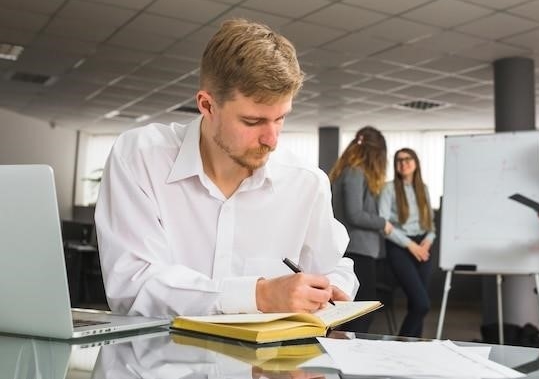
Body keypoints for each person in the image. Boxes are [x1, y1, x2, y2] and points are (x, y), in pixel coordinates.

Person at [95, 18, 358, 317]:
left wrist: (331, 286)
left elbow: (335, 266)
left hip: (269, 363)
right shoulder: (140, 158)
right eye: (253, 121)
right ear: (207, 106)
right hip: (161, 359)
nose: (271, 140)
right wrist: (258, 296)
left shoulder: (307, 182)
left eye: (281, 118)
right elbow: (133, 286)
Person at [328, 126, 393, 333]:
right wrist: (382, 223)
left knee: (355, 310)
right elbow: (354, 214)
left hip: (360, 249)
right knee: (362, 312)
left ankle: (342, 355)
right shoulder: (354, 172)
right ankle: (344, 355)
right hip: (357, 249)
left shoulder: (349, 171)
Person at [378, 148, 435, 337]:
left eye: (408, 158)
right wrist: (411, 246)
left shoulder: (423, 188)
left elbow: (431, 224)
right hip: (400, 247)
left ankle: (413, 350)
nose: (403, 163)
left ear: (416, 162)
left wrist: (427, 242)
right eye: (399, 160)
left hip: (423, 247)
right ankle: (400, 346)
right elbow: (383, 223)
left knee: (415, 305)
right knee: (422, 303)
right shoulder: (388, 189)